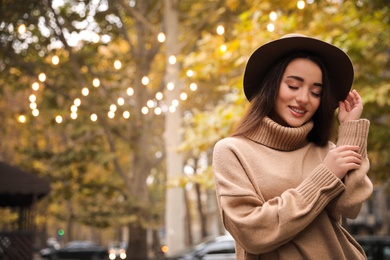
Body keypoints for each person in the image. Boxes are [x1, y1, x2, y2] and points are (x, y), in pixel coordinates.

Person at [212, 33, 373, 260]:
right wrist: (325, 176)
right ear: (271, 86)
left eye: (316, 92)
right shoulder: (232, 151)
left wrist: (350, 132)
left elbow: (351, 206)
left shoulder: (327, 151)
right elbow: (251, 234)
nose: (304, 98)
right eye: (293, 85)